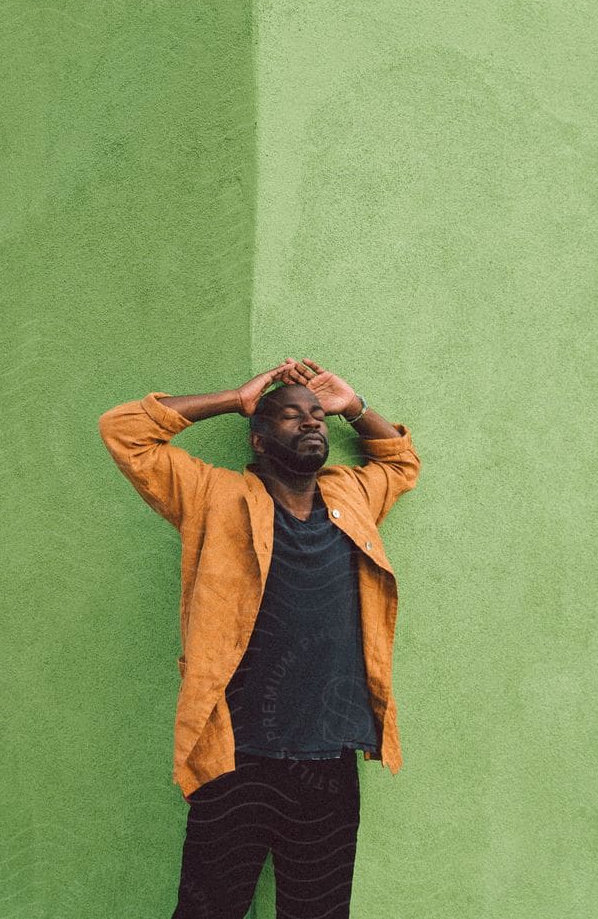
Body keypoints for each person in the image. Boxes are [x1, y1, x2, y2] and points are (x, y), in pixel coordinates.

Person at [98, 358, 421, 919]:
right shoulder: (210, 495)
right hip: (235, 757)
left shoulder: (353, 495)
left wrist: (357, 408)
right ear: (259, 438)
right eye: (292, 416)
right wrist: (234, 397)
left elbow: (400, 459)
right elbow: (125, 431)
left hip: (328, 759)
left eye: (318, 414)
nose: (313, 423)